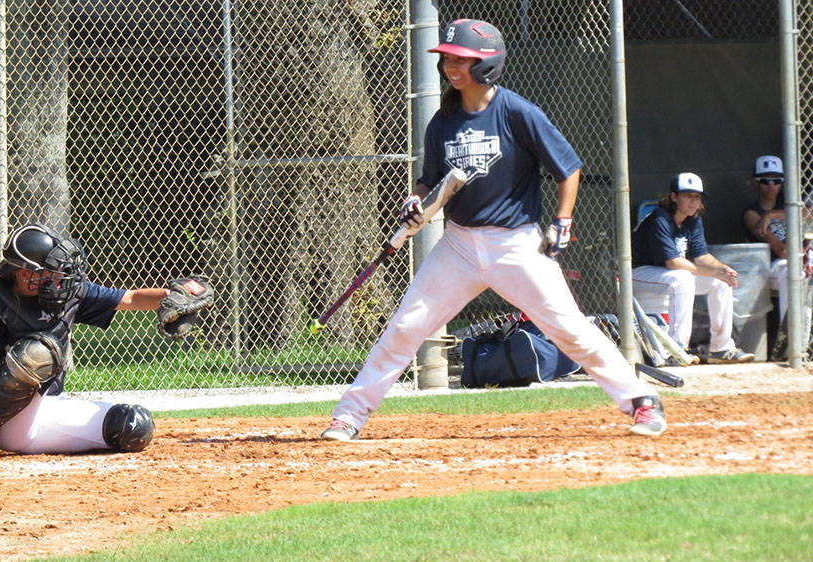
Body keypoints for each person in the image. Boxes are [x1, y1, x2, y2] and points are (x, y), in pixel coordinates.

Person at [321, 19, 669, 442]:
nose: (451, 66)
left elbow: (568, 169)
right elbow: (429, 181)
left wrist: (562, 220)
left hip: (515, 245)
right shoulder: (442, 121)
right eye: (447, 58)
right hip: (459, 245)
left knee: (569, 327)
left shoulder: (518, 112)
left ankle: (641, 401)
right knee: (405, 327)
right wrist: (415, 201)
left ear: (487, 64)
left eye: (462, 59)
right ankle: (349, 415)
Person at [0, 223, 214, 459]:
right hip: (4, 422)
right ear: (24, 274)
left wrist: (171, 296)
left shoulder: (64, 293)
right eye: (49, 272)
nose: (59, 278)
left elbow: (130, 298)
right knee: (37, 352)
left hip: (48, 406)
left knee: (132, 425)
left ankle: (4, 428)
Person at [632, 172, 755, 364]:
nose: (693, 201)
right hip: (638, 273)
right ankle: (676, 349)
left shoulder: (693, 219)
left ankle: (721, 348)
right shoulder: (660, 218)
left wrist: (722, 269)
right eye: (688, 196)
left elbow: (702, 256)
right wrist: (711, 271)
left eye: (697, 197)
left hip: (668, 276)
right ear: (674, 197)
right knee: (683, 279)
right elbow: (673, 262)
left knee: (719, 282)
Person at [742, 155, 789, 321]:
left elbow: (807, 213)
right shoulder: (752, 213)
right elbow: (781, 251)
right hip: (770, 267)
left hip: (802, 260)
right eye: (765, 181)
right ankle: (790, 335)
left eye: (776, 181)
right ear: (755, 182)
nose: (771, 186)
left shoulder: (789, 204)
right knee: (790, 272)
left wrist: (772, 214)